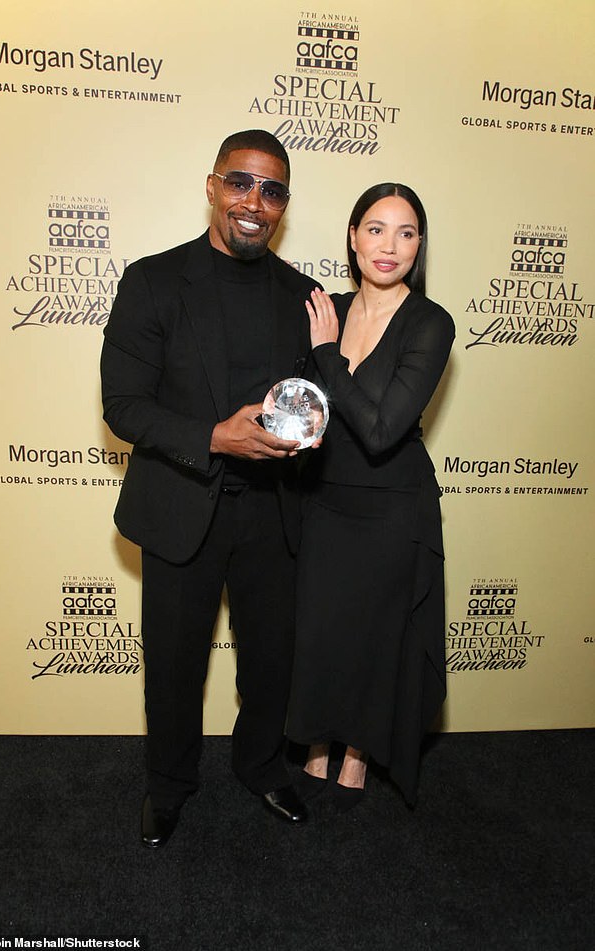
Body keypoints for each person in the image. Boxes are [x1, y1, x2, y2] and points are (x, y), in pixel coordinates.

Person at [101, 130, 319, 848]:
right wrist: (214, 436)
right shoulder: (154, 280)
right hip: (182, 502)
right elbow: (124, 405)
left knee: (271, 660)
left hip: (274, 510)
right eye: (240, 183)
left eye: (272, 189)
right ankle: (167, 784)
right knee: (171, 663)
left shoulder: (305, 297)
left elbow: (322, 397)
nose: (254, 202)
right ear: (212, 186)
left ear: (284, 203)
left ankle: (261, 766)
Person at [287, 183, 455, 810]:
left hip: (391, 505)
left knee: (378, 635)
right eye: (376, 229)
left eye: (407, 232)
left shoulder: (431, 323)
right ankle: (318, 742)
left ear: (419, 245)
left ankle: (359, 751)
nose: (390, 246)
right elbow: (306, 409)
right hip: (326, 499)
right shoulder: (324, 306)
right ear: (353, 236)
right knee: (323, 629)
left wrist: (329, 357)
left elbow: (383, 430)